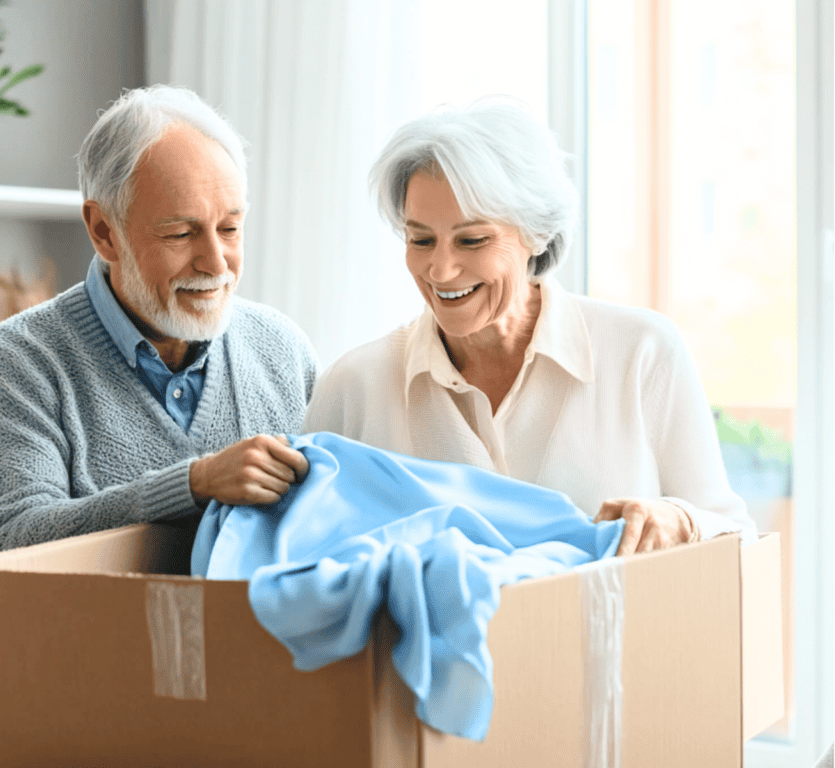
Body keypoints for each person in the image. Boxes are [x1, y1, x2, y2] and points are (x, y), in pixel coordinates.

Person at [303, 96, 755, 556]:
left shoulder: (643, 353)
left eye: (472, 240)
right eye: (420, 239)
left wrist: (682, 521)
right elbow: (300, 561)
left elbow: (735, 534)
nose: (440, 270)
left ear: (536, 233)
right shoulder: (354, 386)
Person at [0, 85, 317, 555]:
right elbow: (9, 544)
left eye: (230, 228)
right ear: (104, 232)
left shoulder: (282, 348)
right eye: (180, 233)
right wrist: (194, 484)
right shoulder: (17, 363)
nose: (216, 263)